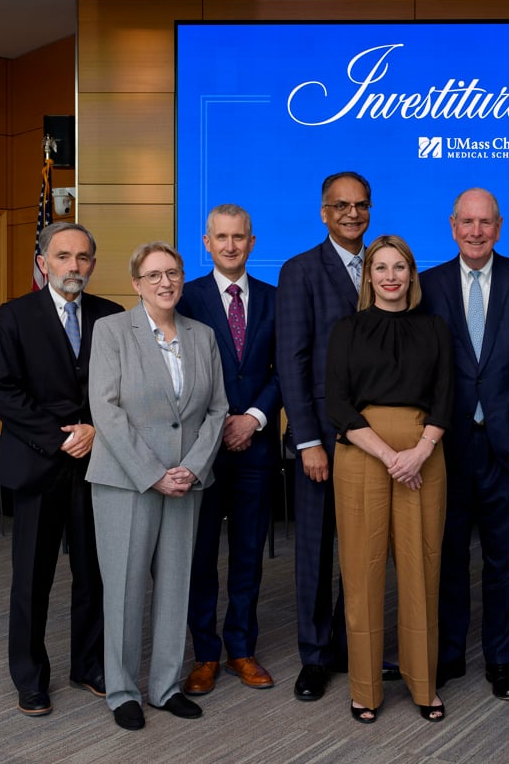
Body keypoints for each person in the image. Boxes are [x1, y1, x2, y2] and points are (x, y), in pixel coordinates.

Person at [420, 187, 509, 701]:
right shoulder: (427, 284)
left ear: (498, 228)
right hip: (445, 446)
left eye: (485, 223)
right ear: (452, 226)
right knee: (447, 556)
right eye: (467, 222)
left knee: (507, 560)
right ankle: (449, 653)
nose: (476, 232)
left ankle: (501, 659)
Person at [86, 241, 227, 731]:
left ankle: (166, 688)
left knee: (175, 585)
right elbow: (106, 410)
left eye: (172, 273)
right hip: (127, 482)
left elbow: (217, 409)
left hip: (186, 481)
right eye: (153, 275)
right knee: (124, 590)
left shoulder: (202, 335)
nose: (165, 282)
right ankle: (123, 691)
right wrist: (153, 474)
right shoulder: (111, 331)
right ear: (136, 284)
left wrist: (192, 467)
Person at [0, 221, 124, 717]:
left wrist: (95, 429)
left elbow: (125, 390)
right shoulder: (15, 315)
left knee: (94, 574)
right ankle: (30, 678)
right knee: (32, 578)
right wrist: (61, 437)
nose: (74, 266)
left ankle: (89, 666)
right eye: (63, 256)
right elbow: (4, 392)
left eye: (83, 257)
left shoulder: (112, 316)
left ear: (93, 264)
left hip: (98, 465)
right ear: (43, 263)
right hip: (38, 464)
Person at [276, 171, 399, 701]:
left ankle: (353, 647)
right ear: (324, 212)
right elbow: (292, 361)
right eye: (341, 205)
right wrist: (307, 441)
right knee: (316, 549)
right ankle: (314, 656)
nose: (353, 213)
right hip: (322, 442)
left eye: (361, 205)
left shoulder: (385, 268)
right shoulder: (300, 270)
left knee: (364, 550)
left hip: (376, 439)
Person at [326, 235, 454, 724]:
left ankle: (424, 685)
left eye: (399, 267)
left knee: (422, 571)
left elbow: (446, 396)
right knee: (362, 572)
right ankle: (365, 689)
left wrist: (418, 452)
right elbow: (336, 402)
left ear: (412, 274)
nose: (390, 276)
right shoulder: (347, 330)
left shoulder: (435, 328)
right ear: (368, 276)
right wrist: (388, 455)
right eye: (380, 267)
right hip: (363, 454)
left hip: (424, 454)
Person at [179, 205, 282, 697]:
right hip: (201, 450)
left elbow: (285, 369)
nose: (230, 245)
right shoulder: (185, 297)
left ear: (252, 242)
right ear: (207, 243)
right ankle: (205, 654)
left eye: (239, 237)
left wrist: (254, 418)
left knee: (247, 555)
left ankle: (241, 647)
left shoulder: (275, 298)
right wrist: (217, 424)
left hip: (256, 450)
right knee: (200, 557)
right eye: (221, 237)